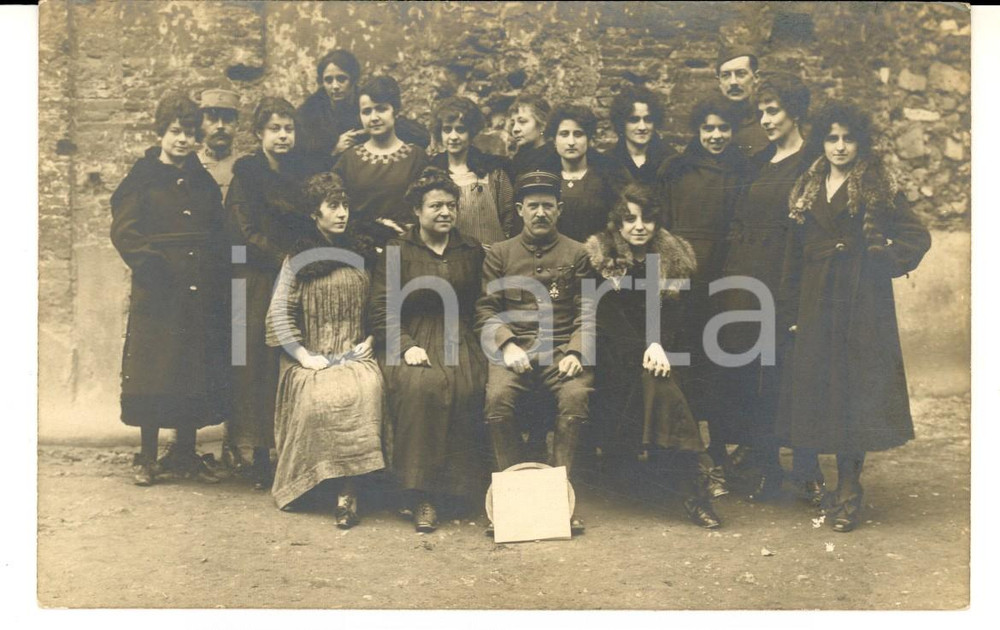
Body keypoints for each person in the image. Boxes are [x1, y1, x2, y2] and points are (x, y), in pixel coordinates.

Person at [778, 102, 931, 533]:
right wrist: (790, 309)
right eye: (832, 138)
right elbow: (794, 252)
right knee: (814, 389)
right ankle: (811, 477)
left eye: (848, 138)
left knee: (852, 393)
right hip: (814, 301)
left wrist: (883, 260)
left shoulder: (877, 187)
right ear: (821, 142)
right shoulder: (807, 187)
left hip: (861, 305)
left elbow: (917, 236)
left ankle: (849, 489)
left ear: (859, 142)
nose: (840, 147)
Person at [584, 183, 721, 528]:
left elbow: (680, 317)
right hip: (618, 355)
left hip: (666, 353)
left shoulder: (672, 257)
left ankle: (693, 485)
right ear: (618, 221)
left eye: (647, 219)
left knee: (661, 381)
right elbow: (609, 317)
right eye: (629, 219)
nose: (639, 226)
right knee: (657, 381)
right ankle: (699, 478)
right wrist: (647, 347)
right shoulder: (604, 255)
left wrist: (659, 345)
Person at [110, 92, 229, 486]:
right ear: (161, 132)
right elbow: (125, 231)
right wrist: (153, 268)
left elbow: (216, 228)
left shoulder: (202, 180)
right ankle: (146, 456)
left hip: (198, 286)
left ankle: (184, 452)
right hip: (159, 288)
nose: (182, 140)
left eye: (190, 133)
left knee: (192, 364)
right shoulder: (142, 179)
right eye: (175, 131)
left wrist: (213, 269)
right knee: (154, 368)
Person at [475, 170, 594, 535]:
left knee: (575, 397)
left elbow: (588, 311)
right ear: (519, 210)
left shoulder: (578, 253)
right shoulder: (499, 254)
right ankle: (512, 499)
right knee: (497, 400)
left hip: (562, 351)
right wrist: (507, 345)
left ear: (558, 209)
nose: (540, 213)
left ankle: (559, 499)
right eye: (533, 206)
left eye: (547, 206)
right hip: (515, 351)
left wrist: (576, 351)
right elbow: (486, 309)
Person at [713, 73, 813, 501]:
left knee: (790, 373)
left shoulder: (814, 164)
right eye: (762, 112)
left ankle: (806, 470)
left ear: (795, 112)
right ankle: (764, 463)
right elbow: (739, 220)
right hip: (748, 282)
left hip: (787, 280)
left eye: (773, 110)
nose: (766, 120)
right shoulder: (758, 163)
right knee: (755, 372)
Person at [370, 167, 487, 532]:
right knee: (422, 388)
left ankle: (460, 491)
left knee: (469, 384)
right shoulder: (398, 249)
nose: (445, 213)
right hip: (411, 334)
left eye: (451, 205)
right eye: (435, 205)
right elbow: (382, 307)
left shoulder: (470, 249)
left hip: (459, 333)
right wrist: (405, 346)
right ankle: (420, 494)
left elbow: (482, 303)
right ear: (417, 212)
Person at [265, 172, 385, 528]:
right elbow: (278, 313)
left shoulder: (363, 252)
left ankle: (350, 490)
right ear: (314, 214)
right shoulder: (298, 258)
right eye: (332, 206)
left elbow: (379, 303)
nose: (341, 213)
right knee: (322, 398)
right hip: (311, 356)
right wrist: (303, 355)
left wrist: (373, 339)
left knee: (367, 389)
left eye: (345, 205)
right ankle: (319, 482)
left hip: (354, 352)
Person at [656, 95, 748, 497]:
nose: (715, 136)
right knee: (688, 361)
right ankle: (691, 453)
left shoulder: (743, 170)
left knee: (724, 364)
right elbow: (664, 225)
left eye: (723, 128)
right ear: (697, 131)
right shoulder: (677, 170)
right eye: (708, 128)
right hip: (687, 278)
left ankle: (722, 451)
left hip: (727, 276)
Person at [226, 97, 315, 489]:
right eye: (275, 129)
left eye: (288, 128)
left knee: (292, 356)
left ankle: (290, 451)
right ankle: (258, 454)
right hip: (257, 276)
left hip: (294, 273)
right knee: (256, 364)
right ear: (259, 133)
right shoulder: (247, 172)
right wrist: (282, 259)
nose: (283, 136)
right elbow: (242, 231)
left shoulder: (300, 172)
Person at [333, 75, 430, 246]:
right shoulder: (350, 159)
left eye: (381, 109)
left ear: (396, 110)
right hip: (361, 247)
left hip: (406, 247)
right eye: (367, 111)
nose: (374, 117)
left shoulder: (416, 156)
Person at [297, 49, 431, 168]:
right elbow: (302, 161)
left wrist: (371, 131)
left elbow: (421, 137)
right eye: (328, 80)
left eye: (341, 79)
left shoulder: (367, 102)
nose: (335, 86)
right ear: (322, 83)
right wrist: (334, 148)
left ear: (353, 79)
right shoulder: (310, 112)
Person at [429, 97, 515, 246]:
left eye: (460, 129)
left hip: (493, 260)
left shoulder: (493, 172)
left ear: (471, 132)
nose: (453, 137)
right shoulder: (433, 174)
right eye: (447, 130)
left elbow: (509, 217)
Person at [546, 103, 618, 243]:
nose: (571, 142)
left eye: (578, 134)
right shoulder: (545, 178)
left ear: (589, 139)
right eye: (564, 134)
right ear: (554, 140)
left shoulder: (607, 178)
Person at [605, 85, 674, 189]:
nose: (642, 127)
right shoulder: (607, 161)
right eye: (634, 120)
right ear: (621, 123)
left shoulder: (671, 159)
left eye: (648, 119)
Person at [716, 49, 770, 157]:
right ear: (719, 82)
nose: (733, 82)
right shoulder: (710, 124)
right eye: (726, 75)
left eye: (741, 74)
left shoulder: (769, 121)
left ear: (756, 77)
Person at [197, 88, 243, 200]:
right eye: (213, 119)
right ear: (201, 124)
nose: (220, 126)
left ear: (237, 125)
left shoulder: (248, 168)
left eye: (227, 120)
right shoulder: (191, 166)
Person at [507, 94, 559, 181]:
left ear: (542, 125)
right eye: (513, 124)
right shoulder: (518, 159)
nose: (515, 129)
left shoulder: (553, 159)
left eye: (522, 121)